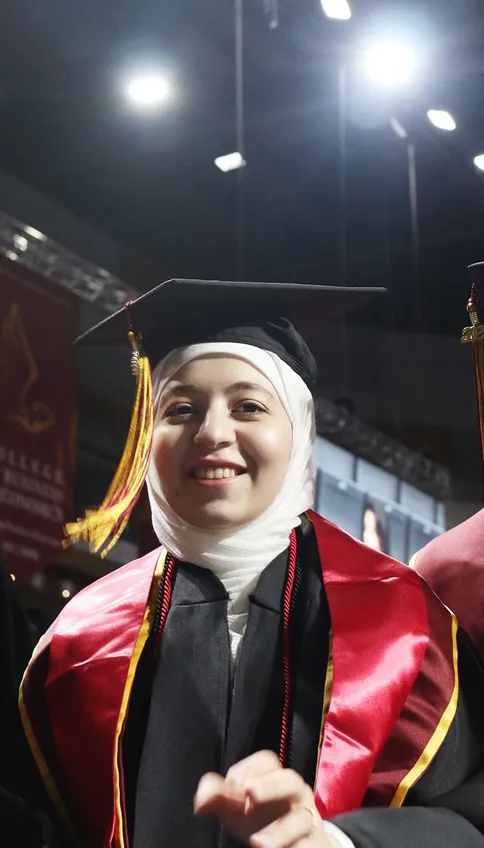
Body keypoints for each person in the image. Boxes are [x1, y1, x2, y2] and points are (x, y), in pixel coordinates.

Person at [7, 278, 484, 848]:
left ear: (300, 432)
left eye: (249, 406)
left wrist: (344, 843)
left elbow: (466, 819)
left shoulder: (405, 621)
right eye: (180, 408)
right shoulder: (78, 643)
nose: (212, 433)